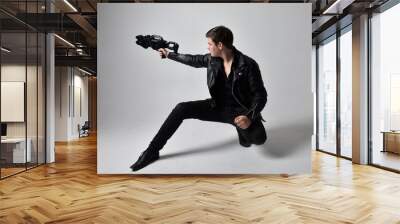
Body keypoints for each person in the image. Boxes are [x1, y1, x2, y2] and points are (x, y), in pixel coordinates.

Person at [130, 25, 267, 171]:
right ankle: (151, 151)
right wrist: (169, 54)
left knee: (258, 138)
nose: (208, 47)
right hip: (217, 107)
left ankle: (241, 130)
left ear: (220, 45)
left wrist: (249, 117)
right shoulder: (211, 60)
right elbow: (193, 60)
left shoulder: (248, 64)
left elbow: (260, 95)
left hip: (240, 112)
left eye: (210, 44)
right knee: (181, 108)